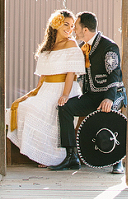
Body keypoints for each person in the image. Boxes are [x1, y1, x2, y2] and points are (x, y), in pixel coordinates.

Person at [7, 10, 86, 167]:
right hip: (47, 89)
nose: (69, 29)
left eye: (71, 26)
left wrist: (65, 95)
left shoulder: (71, 44)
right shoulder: (48, 47)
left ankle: (51, 157)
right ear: (56, 24)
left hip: (65, 88)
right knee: (25, 106)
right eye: (66, 24)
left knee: (43, 110)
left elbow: (71, 73)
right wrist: (36, 93)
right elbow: (43, 76)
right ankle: (38, 152)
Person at [52, 11, 128, 172]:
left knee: (110, 110)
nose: (74, 31)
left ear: (85, 29)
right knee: (65, 107)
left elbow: (114, 76)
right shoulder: (82, 47)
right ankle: (72, 156)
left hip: (114, 94)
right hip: (92, 96)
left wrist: (108, 98)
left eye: (77, 27)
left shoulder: (109, 46)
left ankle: (117, 160)